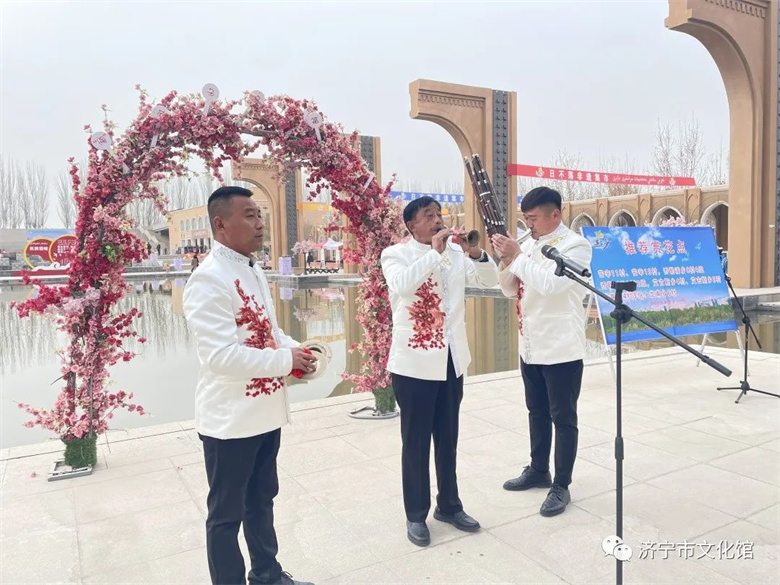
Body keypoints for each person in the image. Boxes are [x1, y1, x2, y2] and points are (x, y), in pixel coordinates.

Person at [183, 186, 316, 585]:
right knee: (226, 516)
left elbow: (268, 332)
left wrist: (297, 350)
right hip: (231, 421)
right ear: (220, 224)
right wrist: (285, 361)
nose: (260, 224)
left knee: (261, 501)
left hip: (264, 413)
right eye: (250, 215)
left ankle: (267, 575)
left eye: (260, 215)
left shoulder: (252, 269)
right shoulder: (208, 279)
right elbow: (220, 357)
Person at [380, 196, 499, 547]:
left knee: (448, 439)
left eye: (439, 214)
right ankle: (416, 514)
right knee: (416, 442)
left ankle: (449, 505)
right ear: (411, 225)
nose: (437, 220)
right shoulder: (395, 254)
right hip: (413, 364)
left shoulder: (457, 253)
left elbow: (490, 281)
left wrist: (475, 253)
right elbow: (402, 286)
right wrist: (435, 253)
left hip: (451, 359)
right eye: (428, 215)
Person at [490, 186, 592, 518]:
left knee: (563, 417)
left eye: (533, 219)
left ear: (555, 214)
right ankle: (538, 469)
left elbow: (551, 285)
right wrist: (507, 259)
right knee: (536, 411)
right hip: (530, 344)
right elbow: (510, 289)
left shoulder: (576, 246)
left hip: (561, 347)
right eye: (526, 219)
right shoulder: (529, 244)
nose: (529, 225)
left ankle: (561, 485)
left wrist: (518, 256)